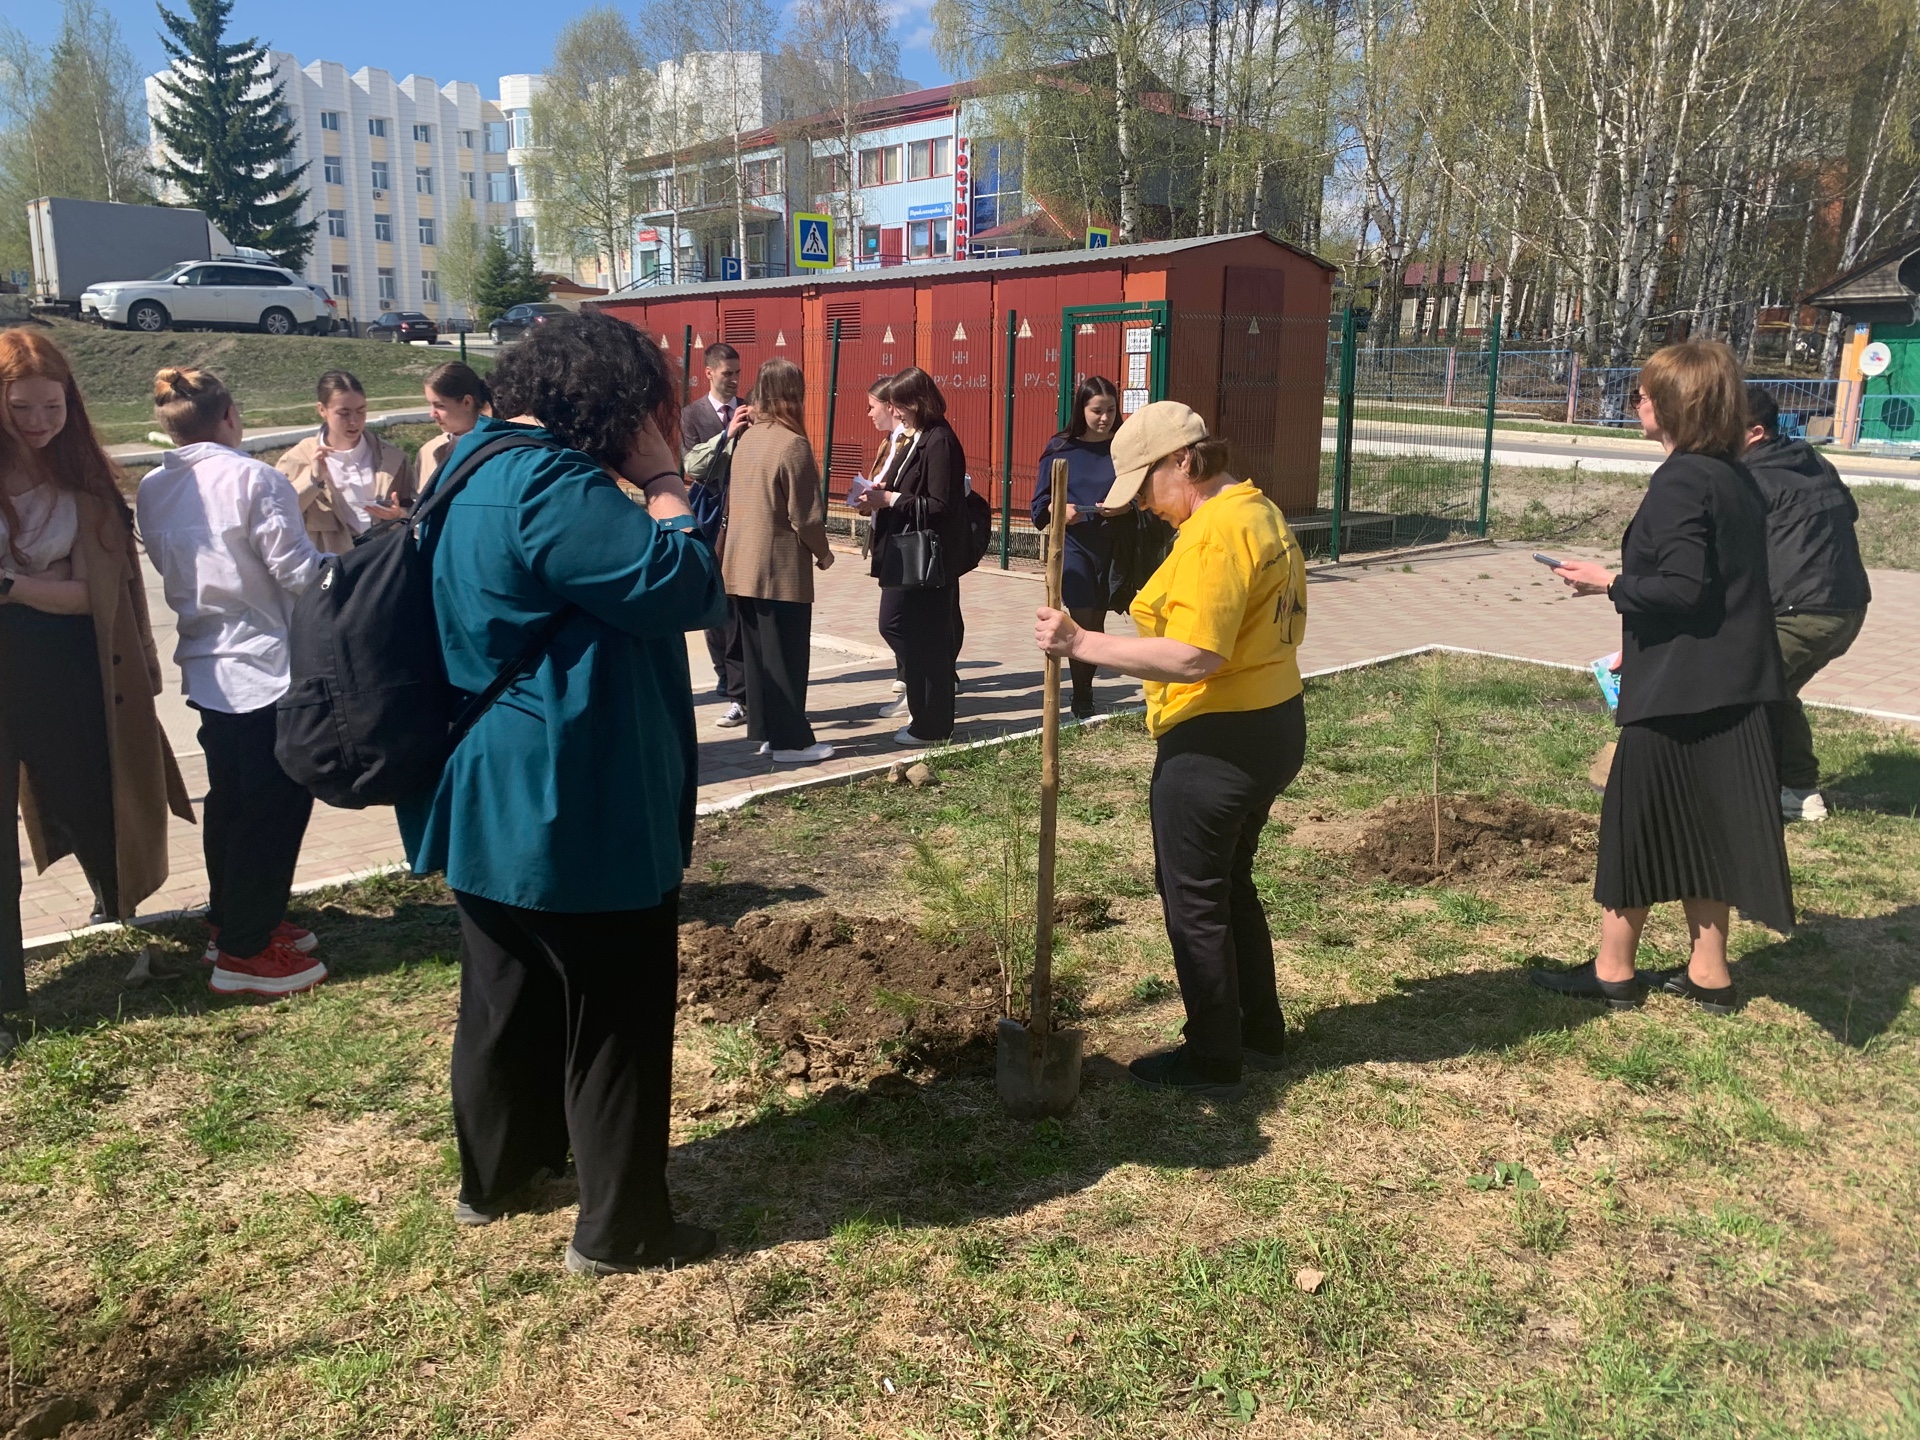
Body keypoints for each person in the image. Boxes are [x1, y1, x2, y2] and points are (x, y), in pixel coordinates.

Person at [402, 310, 725, 1275]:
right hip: (571, 794)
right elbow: (687, 585)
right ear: (612, 404)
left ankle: (497, 1176)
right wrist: (667, 480)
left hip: (486, 789)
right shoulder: (555, 485)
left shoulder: (468, 465)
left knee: (505, 996)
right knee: (617, 1010)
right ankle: (621, 1231)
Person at [1034, 402, 1308, 1100]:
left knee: (1193, 900)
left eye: (1145, 486)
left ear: (1183, 462)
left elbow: (1195, 655)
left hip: (1217, 738)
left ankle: (1215, 1055)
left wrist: (1081, 644)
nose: (1146, 507)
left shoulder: (1216, 533)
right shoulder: (1259, 510)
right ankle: (1258, 1028)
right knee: (1227, 883)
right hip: (1272, 721)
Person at [1535, 342, 1791, 1017]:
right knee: (1706, 830)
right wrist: (1633, 642)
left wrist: (1607, 581)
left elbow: (1681, 588)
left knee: (1636, 823)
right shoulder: (1734, 476)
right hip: (1726, 686)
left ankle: (1613, 971)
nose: (1637, 403)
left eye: (1645, 393)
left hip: (1678, 694)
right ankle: (1710, 973)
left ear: (1675, 404)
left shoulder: (1680, 481)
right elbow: (1721, 593)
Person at [0, 331, 193, 1046]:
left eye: (52, 405)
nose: (38, 420)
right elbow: (74, 587)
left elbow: (98, 598)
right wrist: (45, 588)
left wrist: (15, 586)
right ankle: (7, 1003)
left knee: (92, 799)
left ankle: (121, 909)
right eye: (22, 406)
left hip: (71, 669)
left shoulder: (83, 482)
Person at [137, 368, 326, 997]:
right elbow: (298, 571)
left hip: (205, 659)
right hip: (267, 664)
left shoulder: (154, 487)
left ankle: (234, 921)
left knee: (231, 801)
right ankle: (244, 950)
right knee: (274, 806)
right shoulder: (257, 478)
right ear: (229, 416)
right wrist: (358, 565)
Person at [1744, 384, 1872, 824]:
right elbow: (1848, 514)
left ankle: (1769, 790)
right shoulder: (1812, 459)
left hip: (1802, 612)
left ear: (1754, 432)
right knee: (1774, 692)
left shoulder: (1747, 475)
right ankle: (1796, 792)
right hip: (1848, 607)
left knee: (1738, 688)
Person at [722, 357, 836, 763]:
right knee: (787, 656)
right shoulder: (793, 443)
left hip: (740, 566)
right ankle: (791, 743)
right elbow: (804, 516)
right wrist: (824, 554)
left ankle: (768, 733)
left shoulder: (748, 438)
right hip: (779, 569)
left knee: (757, 659)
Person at [858, 366, 968, 747]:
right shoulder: (917, 437)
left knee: (925, 637)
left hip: (927, 558)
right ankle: (924, 714)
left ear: (916, 403)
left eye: (899, 405)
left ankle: (933, 724)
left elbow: (940, 505)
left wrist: (890, 499)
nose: (895, 412)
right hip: (907, 553)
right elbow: (913, 488)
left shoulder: (940, 441)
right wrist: (886, 491)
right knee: (903, 628)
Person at [1033, 376, 1122, 719]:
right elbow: (1040, 504)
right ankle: (1082, 696)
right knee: (1082, 616)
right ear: (1080, 410)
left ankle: (1085, 690)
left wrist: (1127, 506)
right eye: (1097, 410)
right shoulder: (1060, 448)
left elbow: (1146, 494)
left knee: (1096, 622)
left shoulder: (1125, 446)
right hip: (1073, 545)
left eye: (1111, 410)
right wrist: (1060, 508)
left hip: (1113, 544)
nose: (1105, 418)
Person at [681, 342, 752, 723]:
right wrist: (727, 433)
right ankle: (725, 679)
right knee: (715, 598)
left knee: (739, 599)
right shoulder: (692, 416)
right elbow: (692, 467)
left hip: (743, 514)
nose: (734, 379)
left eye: (738, 373)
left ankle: (742, 679)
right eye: (727, 373)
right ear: (708, 372)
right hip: (710, 517)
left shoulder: (748, 408)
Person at [276, 371, 417, 554]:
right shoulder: (296, 460)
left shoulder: (393, 458)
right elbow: (279, 515)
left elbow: (414, 509)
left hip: (384, 562)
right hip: (331, 569)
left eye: (361, 411)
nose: (354, 421)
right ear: (322, 410)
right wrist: (313, 480)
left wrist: (398, 515)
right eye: (344, 413)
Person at [863, 377, 913, 718]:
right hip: (888, 539)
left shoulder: (914, 441)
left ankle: (926, 678)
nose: (869, 413)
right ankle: (913, 683)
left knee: (893, 621)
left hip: (907, 543)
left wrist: (886, 496)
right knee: (900, 620)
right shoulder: (892, 441)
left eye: (872, 406)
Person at [419, 362, 493, 489]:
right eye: (430, 405)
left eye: (440, 406)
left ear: (467, 402)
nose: (432, 414)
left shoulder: (500, 445)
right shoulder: (429, 451)